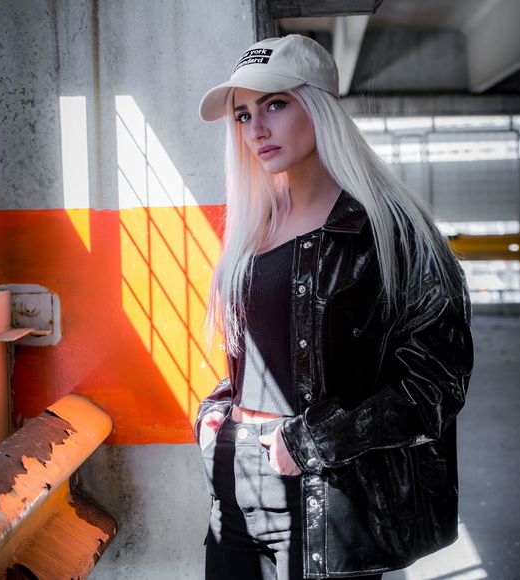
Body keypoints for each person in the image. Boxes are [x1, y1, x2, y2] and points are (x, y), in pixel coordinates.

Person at [195, 34, 474, 580]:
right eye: (243, 114)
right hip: (234, 488)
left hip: (329, 495)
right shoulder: (254, 230)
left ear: (319, 106)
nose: (256, 128)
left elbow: (436, 383)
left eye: (275, 104)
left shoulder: (392, 231)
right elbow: (267, 363)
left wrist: (311, 442)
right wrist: (215, 414)